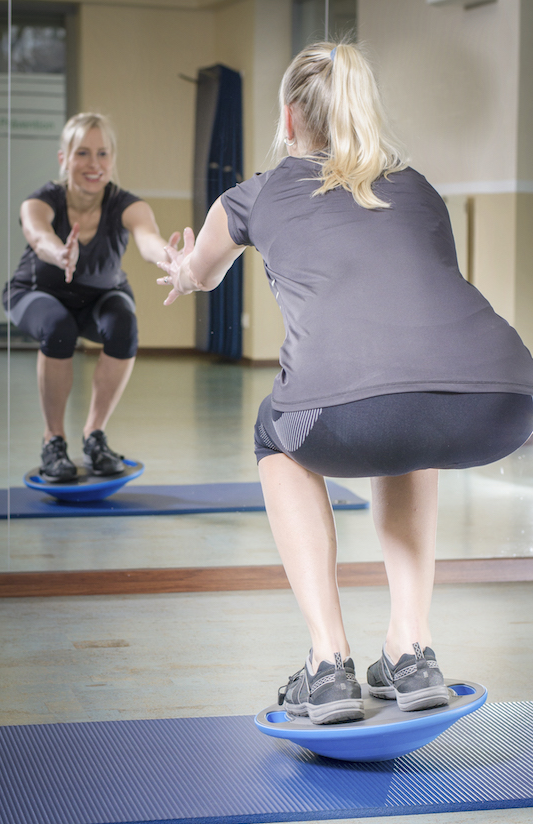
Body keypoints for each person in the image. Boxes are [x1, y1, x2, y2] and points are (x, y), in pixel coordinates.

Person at [157, 42, 533, 725]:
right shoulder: (417, 186)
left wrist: (180, 267)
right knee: (412, 407)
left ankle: (328, 664)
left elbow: (202, 273)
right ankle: (411, 649)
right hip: (504, 400)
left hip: (353, 417)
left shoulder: (256, 193)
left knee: (276, 435)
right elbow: (421, 315)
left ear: (289, 117)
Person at [3, 112, 178, 481]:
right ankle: (53, 440)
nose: (94, 164)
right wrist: (59, 252)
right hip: (37, 293)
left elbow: (148, 239)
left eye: (102, 153)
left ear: (112, 159)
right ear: (64, 158)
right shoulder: (41, 200)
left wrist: (172, 259)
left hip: (100, 296)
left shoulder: (127, 204)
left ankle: (94, 435)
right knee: (58, 326)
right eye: (83, 153)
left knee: (123, 325)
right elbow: (38, 234)